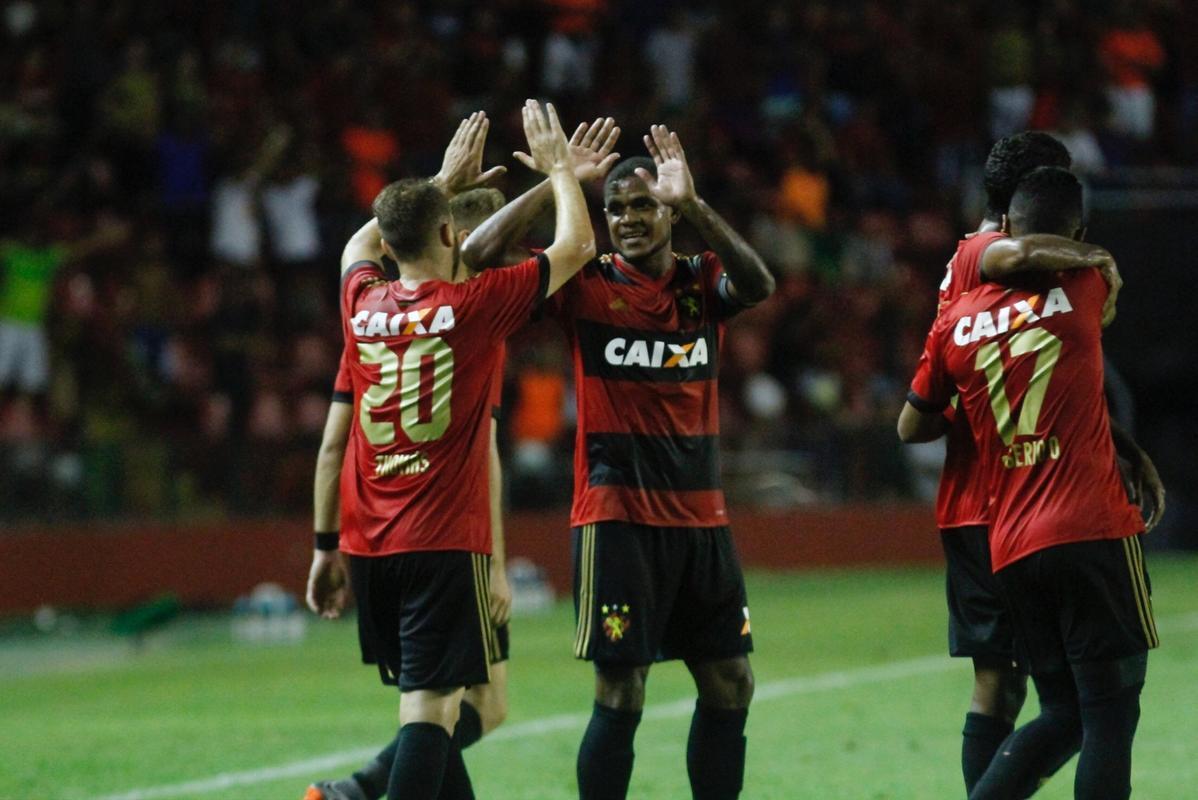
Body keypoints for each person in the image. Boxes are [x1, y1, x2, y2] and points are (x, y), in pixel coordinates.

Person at [303, 113, 619, 800]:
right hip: (443, 541)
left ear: (389, 245)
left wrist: (441, 182)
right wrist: (560, 170)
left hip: (368, 544)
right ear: (448, 232)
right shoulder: (473, 307)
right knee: (433, 710)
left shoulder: (360, 302)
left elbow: (360, 241)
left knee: (440, 707)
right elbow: (577, 246)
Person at [465, 124, 775, 799]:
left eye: (643, 206)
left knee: (731, 681)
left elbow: (759, 283)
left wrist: (695, 205)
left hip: (701, 523)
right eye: (616, 210)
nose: (629, 220)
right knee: (622, 688)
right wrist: (558, 183)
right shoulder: (586, 283)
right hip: (618, 520)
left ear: (667, 212)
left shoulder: (702, 283)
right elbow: (477, 255)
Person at [899, 166, 1158, 799]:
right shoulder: (1088, 282)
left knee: (1061, 711)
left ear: (1006, 225)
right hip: (1093, 526)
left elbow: (911, 424)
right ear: (1078, 234)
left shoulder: (953, 320)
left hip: (1011, 544)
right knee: (1108, 715)